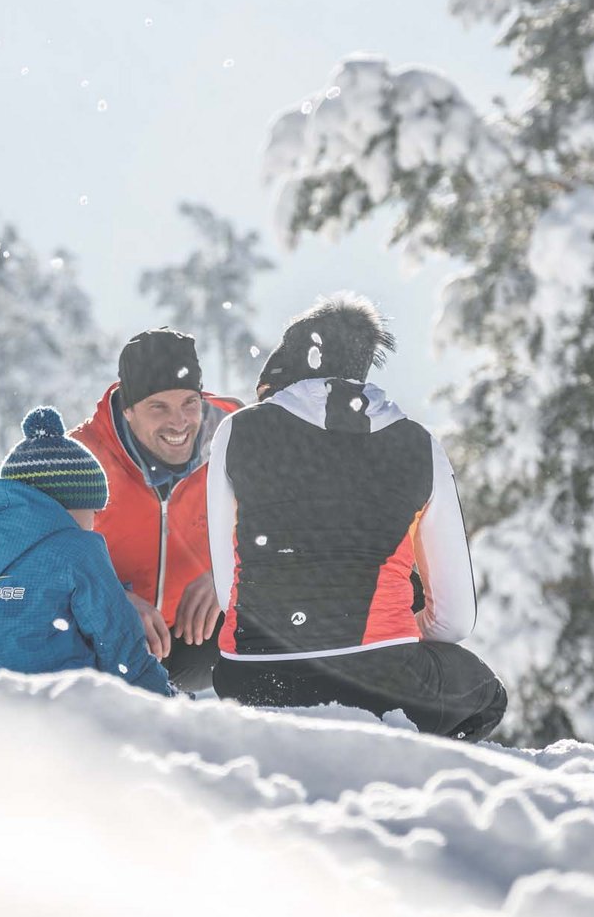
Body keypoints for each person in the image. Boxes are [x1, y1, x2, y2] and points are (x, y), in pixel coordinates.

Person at [205, 294, 508, 741]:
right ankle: (413, 759)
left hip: (250, 680)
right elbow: (455, 620)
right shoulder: (418, 445)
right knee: (485, 693)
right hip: (382, 684)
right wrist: (391, 630)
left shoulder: (237, 430)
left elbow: (228, 593)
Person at [70, 329, 243, 693]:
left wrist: (226, 573)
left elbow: (289, 522)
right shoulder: (79, 459)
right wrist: (111, 598)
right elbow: (38, 561)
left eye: (189, 403)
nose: (179, 422)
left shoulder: (237, 436)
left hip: (199, 642)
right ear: (128, 409)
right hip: (113, 646)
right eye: (158, 407)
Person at [0, 407, 172, 696]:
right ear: (68, 505)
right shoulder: (78, 548)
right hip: (63, 703)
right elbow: (119, 642)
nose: (95, 519)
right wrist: (162, 695)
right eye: (93, 509)